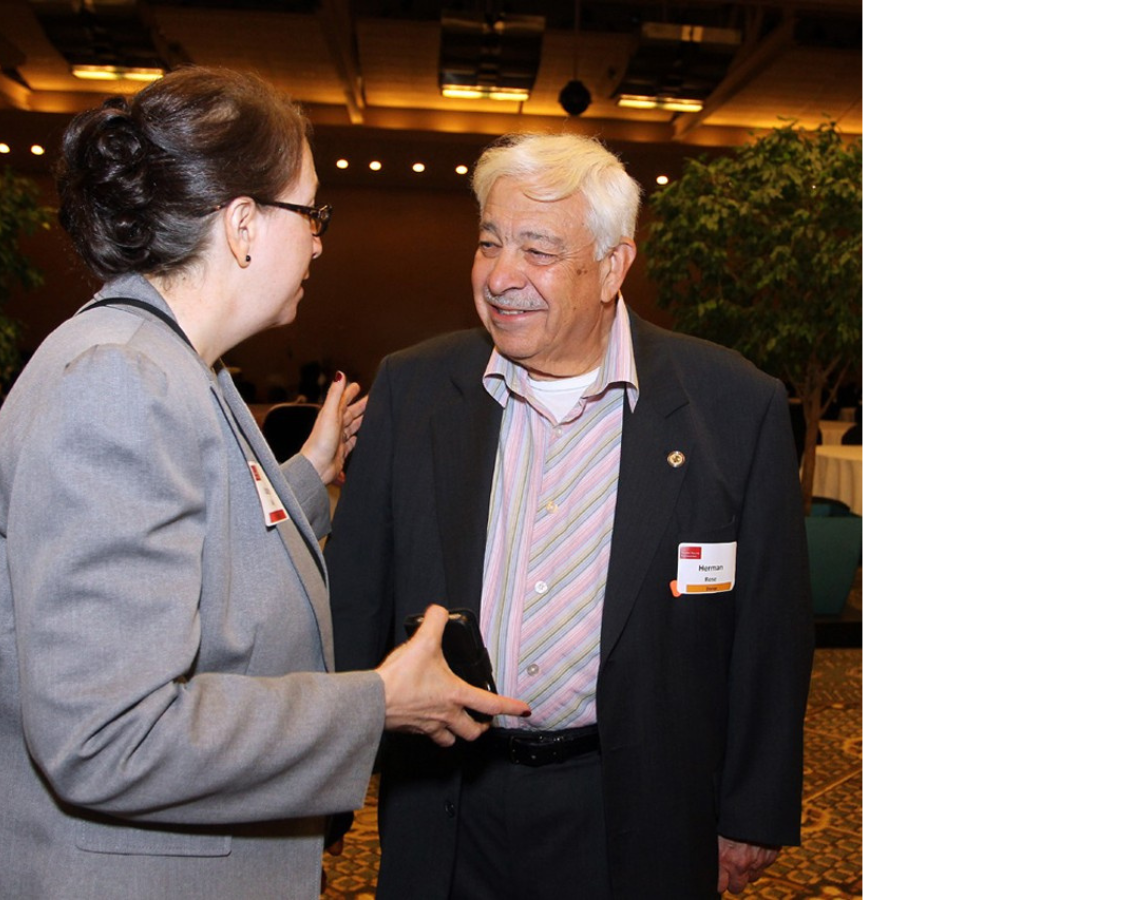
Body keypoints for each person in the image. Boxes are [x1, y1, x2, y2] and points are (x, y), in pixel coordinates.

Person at [0, 67, 528, 900]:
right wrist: (377, 703)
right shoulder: (122, 383)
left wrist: (307, 477)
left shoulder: (176, 365)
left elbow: (189, 531)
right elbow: (110, 735)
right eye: (311, 214)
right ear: (243, 225)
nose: (319, 243)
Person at [326, 132, 814, 898]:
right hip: (448, 799)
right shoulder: (414, 390)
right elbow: (356, 598)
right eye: (489, 243)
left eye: (538, 250)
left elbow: (769, 631)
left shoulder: (731, 407)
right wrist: (322, 792)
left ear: (613, 267)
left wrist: (753, 809)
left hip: (636, 807)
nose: (500, 276)